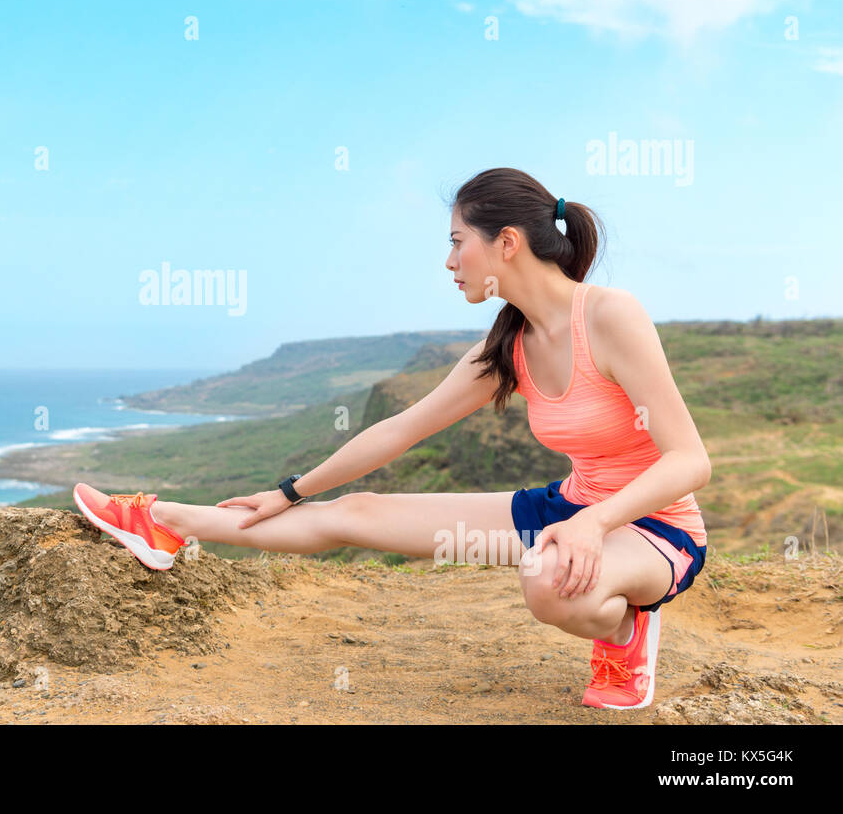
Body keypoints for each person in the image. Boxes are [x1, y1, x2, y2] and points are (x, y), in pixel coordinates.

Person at [73, 166, 711, 710]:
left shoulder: (608, 316)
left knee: (545, 580)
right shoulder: (509, 344)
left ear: (508, 243)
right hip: (566, 511)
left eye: (459, 242)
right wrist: (291, 491)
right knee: (355, 514)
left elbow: (689, 460)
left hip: (655, 530)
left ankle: (626, 632)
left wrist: (594, 525)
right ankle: (160, 521)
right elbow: (400, 430)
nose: (450, 261)